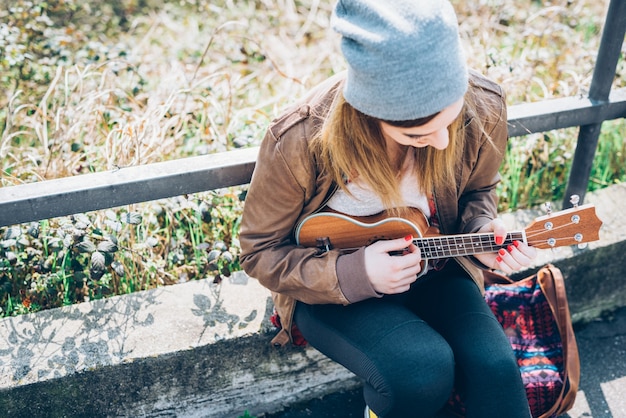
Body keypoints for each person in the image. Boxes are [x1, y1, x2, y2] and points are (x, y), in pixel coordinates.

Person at [239, 0, 537, 417]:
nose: (441, 144)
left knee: (497, 369)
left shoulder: (484, 105)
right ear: (369, 113)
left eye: (448, 122)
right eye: (417, 134)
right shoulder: (299, 138)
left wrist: (481, 231)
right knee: (420, 370)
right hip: (329, 285)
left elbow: (478, 191)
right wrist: (357, 273)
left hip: (435, 267)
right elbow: (259, 251)